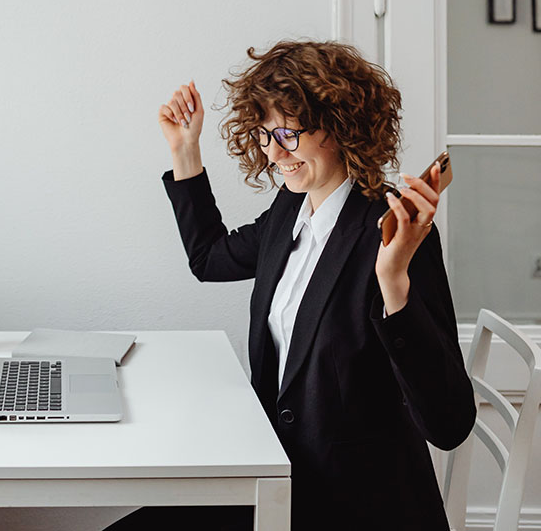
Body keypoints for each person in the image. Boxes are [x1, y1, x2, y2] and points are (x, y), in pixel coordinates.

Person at [105, 40, 476, 531]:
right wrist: (185, 149)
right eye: (264, 135)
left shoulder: (395, 232)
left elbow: (448, 424)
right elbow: (209, 259)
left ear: (342, 126)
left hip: (350, 503)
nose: (274, 152)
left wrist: (393, 283)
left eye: (288, 133)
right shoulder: (291, 209)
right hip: (275, 474)